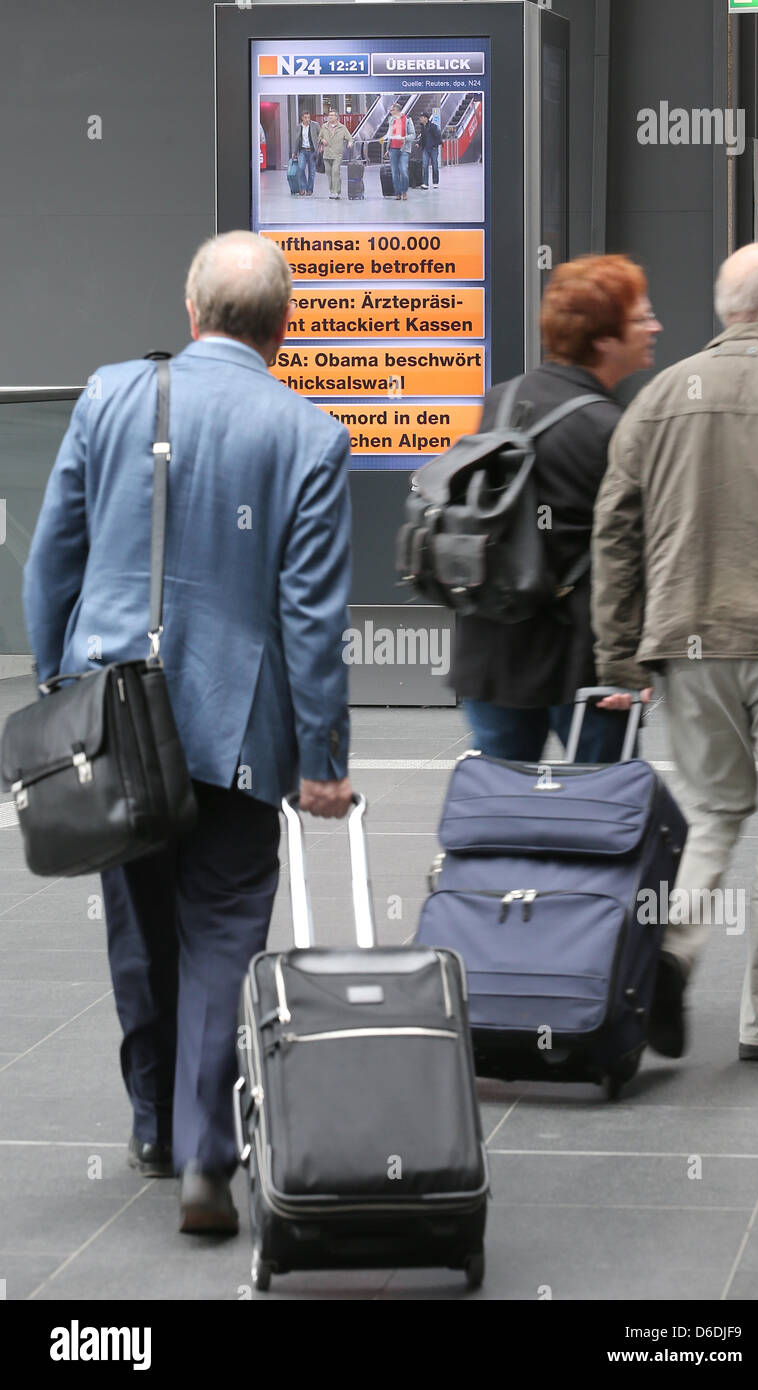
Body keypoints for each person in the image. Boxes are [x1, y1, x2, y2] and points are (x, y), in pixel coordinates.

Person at [22, 231, 353, 1234]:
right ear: (285, 328)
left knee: (139, 927)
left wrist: (59, 683)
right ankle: (209, 1153)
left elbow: (51, 561)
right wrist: (323, 760)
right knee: (221, 935)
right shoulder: (309, 433)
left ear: (191, 309)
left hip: (117, 722)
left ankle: (154, 1125)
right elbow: (311, 619)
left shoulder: (110, 396)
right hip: (237, 730)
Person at [592, 239, 758, 1065]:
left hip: (683, 639)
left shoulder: (662, 395)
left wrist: (619, 659)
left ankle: (673, 954)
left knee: (714, 815)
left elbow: (615, 529)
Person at [452, 254, 661, 763]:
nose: (654, 326)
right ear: (604, 338)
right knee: (600, 812)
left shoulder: (500, 400)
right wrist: (631, 663)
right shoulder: (613, 430)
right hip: (582, 664)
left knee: (498, 810)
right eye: (639, 318)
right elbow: (629, 553)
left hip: (491, 647)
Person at [318, 109, 353, 199]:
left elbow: (350, 138)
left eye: (332, 115)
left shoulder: (342, 128)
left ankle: (335, 192)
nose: (330, 117)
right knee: (329, 173)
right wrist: (322, 140)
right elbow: (319, 137)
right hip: (326, 154)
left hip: (337, 154)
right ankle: (333, 190)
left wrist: (350, 142)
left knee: (335, 172)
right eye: (329, 115)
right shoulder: (324, 126)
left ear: (337, 117)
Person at [385, 102, 415, 201]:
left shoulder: (407, 120)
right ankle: (397, 192)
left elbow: (413, 135)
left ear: (397, 110)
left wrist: (404, 138)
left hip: (404, 149)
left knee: (404, 170)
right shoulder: (391, 121)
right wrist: (387, 149)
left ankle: (404, 191)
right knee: (394, 172)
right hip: (393, 148)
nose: (390, 112)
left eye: (391, 110)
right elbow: (389, 135)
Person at [293, 109, 320, 196]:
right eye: (305, 118)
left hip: (312, 151)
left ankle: (310, 189)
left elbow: (321, 135)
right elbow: (297, 140)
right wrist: (294, 152)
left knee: (312, 172)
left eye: (308, 117)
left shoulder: (315, 125)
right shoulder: (299, 127)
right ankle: (302, 188)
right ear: (302, 118)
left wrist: (320, 146)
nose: (307, 119)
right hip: (302, 151)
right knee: (300, 169)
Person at [418, 112, 442, 189]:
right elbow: (422, 137)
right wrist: (419, 143)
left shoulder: (433, 126)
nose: (420, 119)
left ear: (426, 118)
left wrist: (435, 145)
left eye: (422, 117)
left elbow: (438, 136)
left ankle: (435, 182)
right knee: (425, 166)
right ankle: (425, 183)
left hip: (433, 149)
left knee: (435, 165)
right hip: (425, 149)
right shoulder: (422, 127)